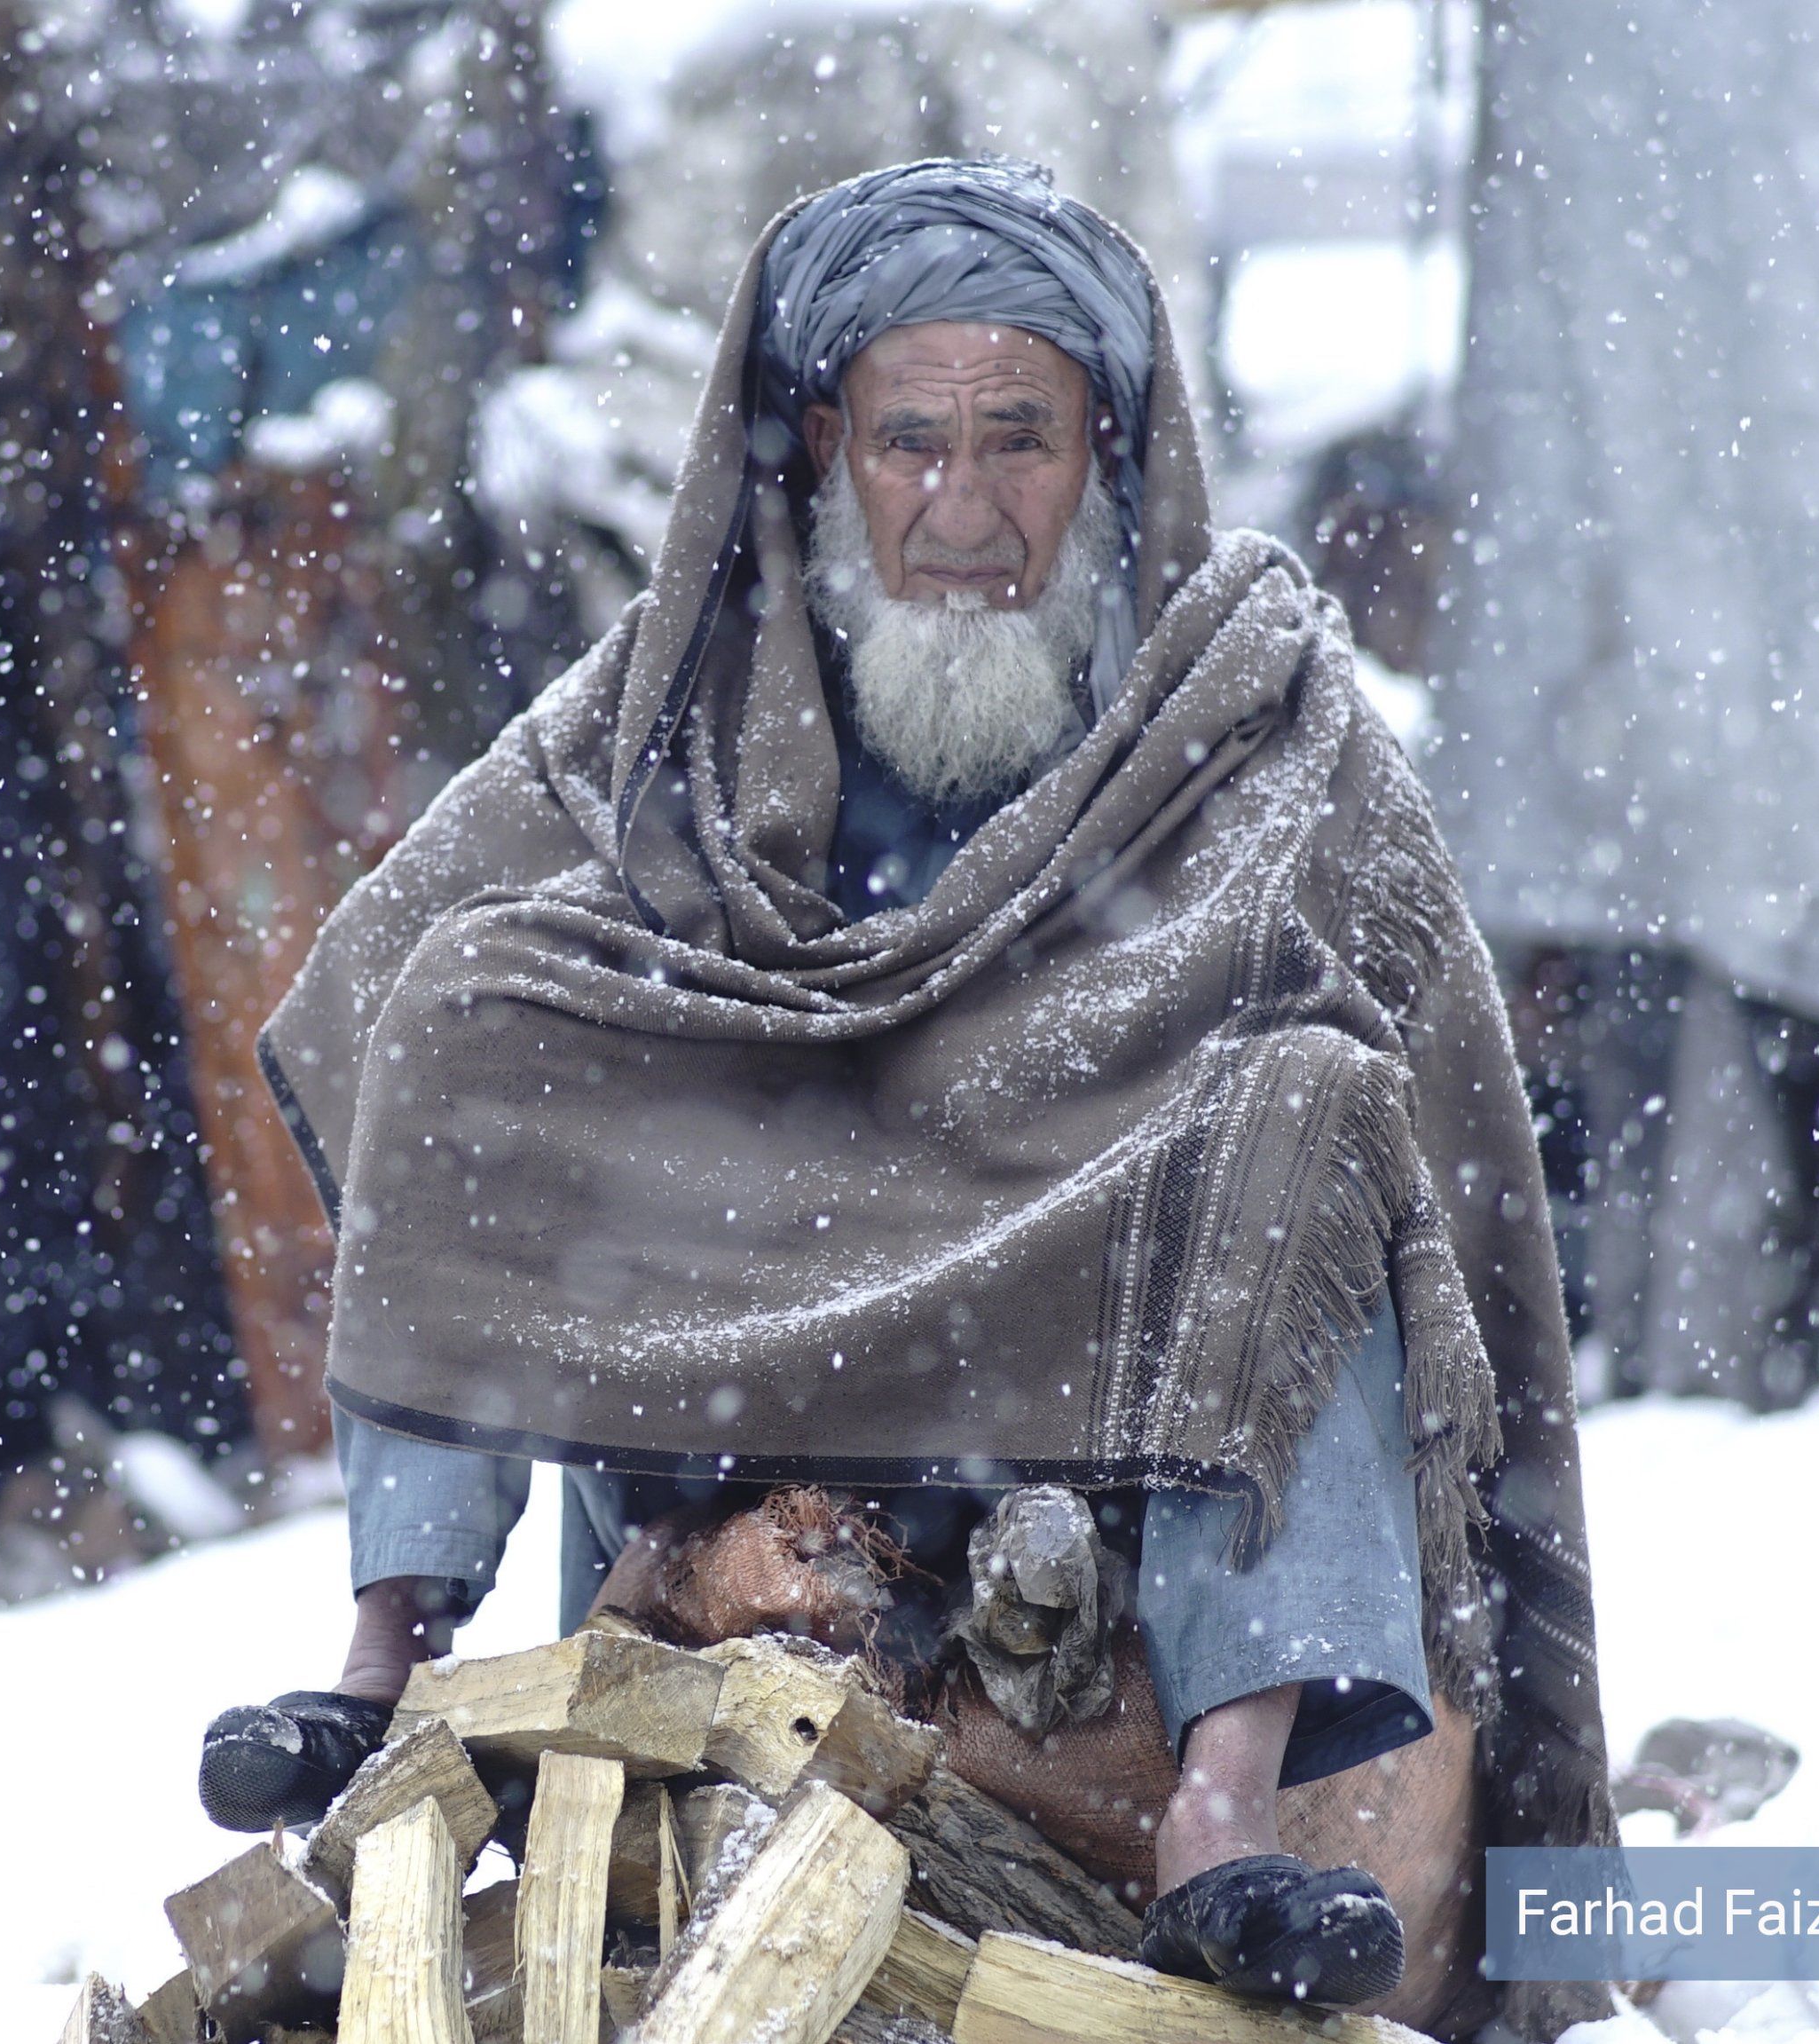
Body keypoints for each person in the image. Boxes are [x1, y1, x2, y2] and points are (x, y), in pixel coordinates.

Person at [196, 160, 1610, 2028]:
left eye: (1018, 442)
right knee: (480, 1012)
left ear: (1106, 449)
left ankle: (1220, 1801)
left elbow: (1429, 1069)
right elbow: (397, 956)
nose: (962, 510)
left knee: (1302, 1109)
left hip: (1101, 1357)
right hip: (746, 1311)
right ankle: (389, 1668)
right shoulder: (687, 678)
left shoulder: (1251, 691)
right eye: (910, 445)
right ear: (822, 452)